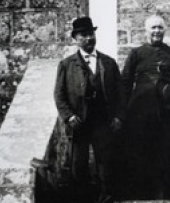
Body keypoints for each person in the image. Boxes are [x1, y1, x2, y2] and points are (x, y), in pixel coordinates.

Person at [117, 14, 170, 200]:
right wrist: (122, 111)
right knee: (141, 150)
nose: (157, 31)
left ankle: (166, 192)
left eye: (160, 28)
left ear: (164, 31)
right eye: (153, 28)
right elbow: (125, 83)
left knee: (166, 150)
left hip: (167, 112)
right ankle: (142, 193)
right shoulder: (137, 53)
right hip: (140, 111)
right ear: (146, 31)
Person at [53, 17, 124, 203]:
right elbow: (59, 95)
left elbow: (120, 93)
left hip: (103, 121)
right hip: (79, 122)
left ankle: (107, 199)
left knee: (106, 164)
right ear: (76, 38)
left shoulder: (108, 63)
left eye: (91, 34)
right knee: (78, 165)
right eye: (83, 35)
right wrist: (68, 117)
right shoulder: (66, 65)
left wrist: (118, 116)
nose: (89, 38)